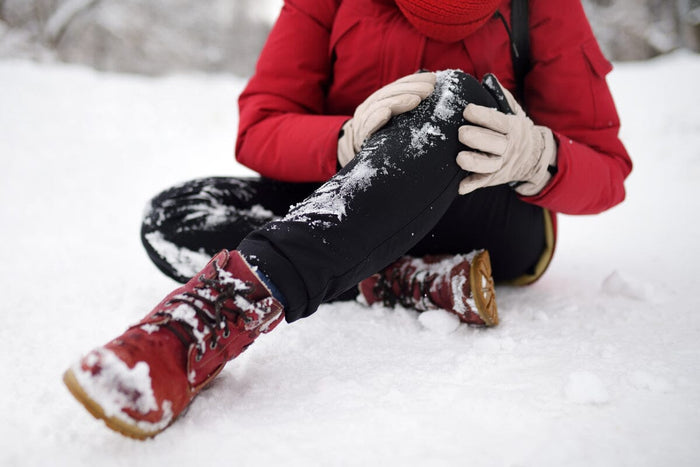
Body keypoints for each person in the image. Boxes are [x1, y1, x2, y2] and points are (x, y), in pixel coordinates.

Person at [63, 0, 632, 439]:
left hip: (489, 215)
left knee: (452, 99)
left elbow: (608, 169)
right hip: (349, 199)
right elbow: (259, 123)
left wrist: (539, 155)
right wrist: (345, 139)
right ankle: (397, 278)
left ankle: (212, 317)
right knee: (175, 216)